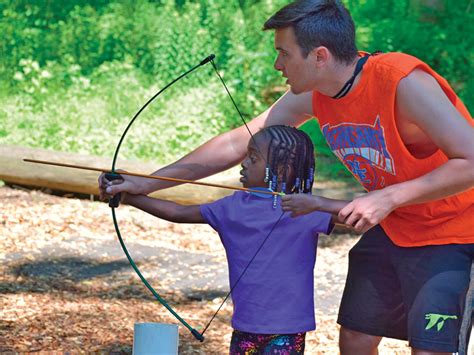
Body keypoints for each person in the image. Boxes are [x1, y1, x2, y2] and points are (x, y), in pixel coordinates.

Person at [99, 1, 474, 353]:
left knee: (430, 347)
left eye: (284, 53)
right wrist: (147, 184)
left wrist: (388, 197)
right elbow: (239, 142)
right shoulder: (317, 92)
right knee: (357, 336)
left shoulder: (402, 82)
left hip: (453, 228)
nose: (278, 65)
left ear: (320, 56)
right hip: (395, 224)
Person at [113, 125, 344, 354]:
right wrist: (127, 196)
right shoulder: (232, 207)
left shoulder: (304, 209)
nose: (244, 163)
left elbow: (354, 215)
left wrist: (321, 204)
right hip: (244, 325)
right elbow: (178, 213)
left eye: (253, 158)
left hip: (287, 330)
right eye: (245, 156)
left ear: (282, 170)